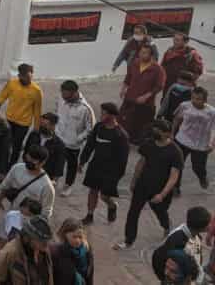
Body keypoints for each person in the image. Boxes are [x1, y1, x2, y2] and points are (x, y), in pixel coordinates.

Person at [116, 118, 183, 250]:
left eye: (159, 130)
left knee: (160, 211)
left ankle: (166, 225)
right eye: (155, 129)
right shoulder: (149, 144)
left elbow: (174, 177)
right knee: (133, 212)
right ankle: (129, 240)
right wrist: (134, 181)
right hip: (142, 185)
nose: (155, 132)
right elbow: (141, 163)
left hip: (160, 189)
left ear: (167, 134)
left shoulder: (175, 152)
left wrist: (162, 194)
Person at [79, 101, 130, 225]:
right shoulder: (98, 127)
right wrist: (82, 161)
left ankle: (112, 205)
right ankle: (90, 215)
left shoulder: (121, 135)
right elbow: (90, 145)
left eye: (104, 113)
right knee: (92, 191)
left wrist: (117, 176)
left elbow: (123, 159)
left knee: (104, 196)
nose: (101, 115)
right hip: (95, 165)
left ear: (112, 116)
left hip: (111, 171)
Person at [118, 42, 166, 144]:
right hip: (130, 97)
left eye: (145, 53)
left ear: (151, 55)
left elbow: (159, 86)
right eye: (141, 52)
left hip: (145, 103)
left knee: (140, 124)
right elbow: (129, 77)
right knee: (124, 119)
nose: (141, 55)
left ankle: (137, 140)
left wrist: (146, 96)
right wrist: (123, 88)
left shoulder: (158, 69)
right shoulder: (135, 63)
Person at [54, 80, 95, 197]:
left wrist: (78, 139)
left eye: (65, 94)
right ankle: (54, 180)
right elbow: (57, 113)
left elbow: (90, 129)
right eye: (62, 93)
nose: (63, 96)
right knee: (56, 161)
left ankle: (68, 185)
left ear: (74, 93)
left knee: (71, 166)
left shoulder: (85, 109)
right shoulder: (61, 100)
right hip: (59, 139)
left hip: (73, 144)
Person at [0, 63, 43, 168]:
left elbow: (37, 110)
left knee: (16, 146)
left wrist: (36, 128)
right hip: (9, 120)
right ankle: (3, 165)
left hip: (23, 124)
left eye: (29, 76)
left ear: (32, 74)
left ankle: (12, 166)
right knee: (5, 144)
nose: (27, 78)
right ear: (19, 75)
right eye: (24, 76)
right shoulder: (11, 84)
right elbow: (1, 97)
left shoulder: (37, 91)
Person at [172, 86, 215, 191]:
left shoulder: (212, 112)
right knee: (177, 165)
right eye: (193, 98)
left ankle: (202, 177)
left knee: (198, 167)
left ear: (205, 100)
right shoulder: (184, 106)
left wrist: (212, 144)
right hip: (182, 139)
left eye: (198, 99)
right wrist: (172, 133)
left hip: (201, 144)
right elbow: (177, 119)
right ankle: (175, 187)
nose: (195, 101)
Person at [0, 215, 53, 285]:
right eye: (41, 241)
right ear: (27, 238)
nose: (46, 245)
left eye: (46, 241)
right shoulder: (8, 254)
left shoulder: (44, 251)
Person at [151, 207, 210, 281]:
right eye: (209, 223)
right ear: (202, 228)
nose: (211, 225)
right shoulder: (178, 241)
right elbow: (160, 259)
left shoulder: (193, 234)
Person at [0, 144, 54, 219]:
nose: (29, 161)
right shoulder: (17, 168)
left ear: (42, 163)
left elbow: (46, 212)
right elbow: (6, 185)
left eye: (34, 160)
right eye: (29, 158)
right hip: (11, 213)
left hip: (28, 222)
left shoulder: (47, 186)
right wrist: (0, 200)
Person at [25, 113, 66, 182]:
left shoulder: (59, 145)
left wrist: (54, 181)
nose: (42, 126)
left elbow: (59, 166)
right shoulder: (33, 135)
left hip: (44, 177)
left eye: (45, 125)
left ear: (53, 126)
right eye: (41, 124)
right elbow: (26, 151)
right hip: (28, 172)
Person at [50, 218, 92, 285]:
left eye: (80, 237)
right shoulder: (56, 252)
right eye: (74, 237)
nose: (77, 241)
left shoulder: (86, 248)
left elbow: (90, 274)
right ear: (64, 235)